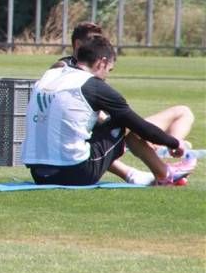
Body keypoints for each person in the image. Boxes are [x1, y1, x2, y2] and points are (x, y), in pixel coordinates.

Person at [22, 36, 196, 186]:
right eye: (109, 70)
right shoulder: (94, 86)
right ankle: (165, 174)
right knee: (124, 123)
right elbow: (140, 126)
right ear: (102, 62)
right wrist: (174, 143)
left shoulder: (51, 74)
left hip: (38, 174)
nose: (107, 76)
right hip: (74, 173)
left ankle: (148, 173)